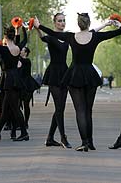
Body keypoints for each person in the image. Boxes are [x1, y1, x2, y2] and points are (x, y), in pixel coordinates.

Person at [34, 13, 121, 151]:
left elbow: (51, 33)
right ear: (89, 23)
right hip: (90, 74)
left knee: (80, 111)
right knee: (88, 110)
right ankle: (90, 142)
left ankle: (85, 142)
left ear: (78, 24)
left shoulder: (70, 36)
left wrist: (39, 26)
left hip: (75, 75)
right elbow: (115, 33)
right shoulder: (95, 36)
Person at [36, 12, 71, 148]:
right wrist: (37, 27)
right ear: (55, 23)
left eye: (63, 20)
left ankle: (50, 138)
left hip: (65, 73)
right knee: (59, 108)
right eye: (59, 21)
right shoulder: (51, 37)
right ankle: (63, 137)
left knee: (60, 108)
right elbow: (42, 37)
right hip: (54, 74)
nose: (62, 23)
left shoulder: (67, 37)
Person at [19, 46, 40, 129]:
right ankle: (19, 122)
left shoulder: (26, 61)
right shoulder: (19, 60)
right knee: (18, 104)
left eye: (22, 50)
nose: (20, 51)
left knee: (26, 104)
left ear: (26, 53)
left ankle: (26, 122)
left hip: (27, 84)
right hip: (20, 83)